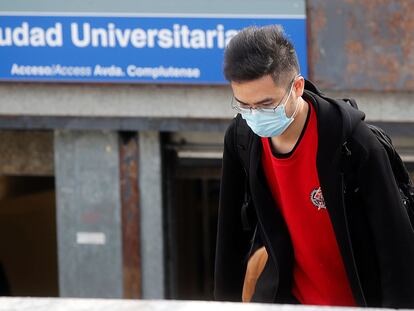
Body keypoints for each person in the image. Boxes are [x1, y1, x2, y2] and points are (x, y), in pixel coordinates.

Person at [214, 25, 414, 308]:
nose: (255, 116)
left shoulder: (355, 144)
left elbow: (396, 247)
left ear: (297, 87)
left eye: (266, 104)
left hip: (360, 301)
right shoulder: (241, 139)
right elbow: (230, 239)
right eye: (244, 105)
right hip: (288, 300)